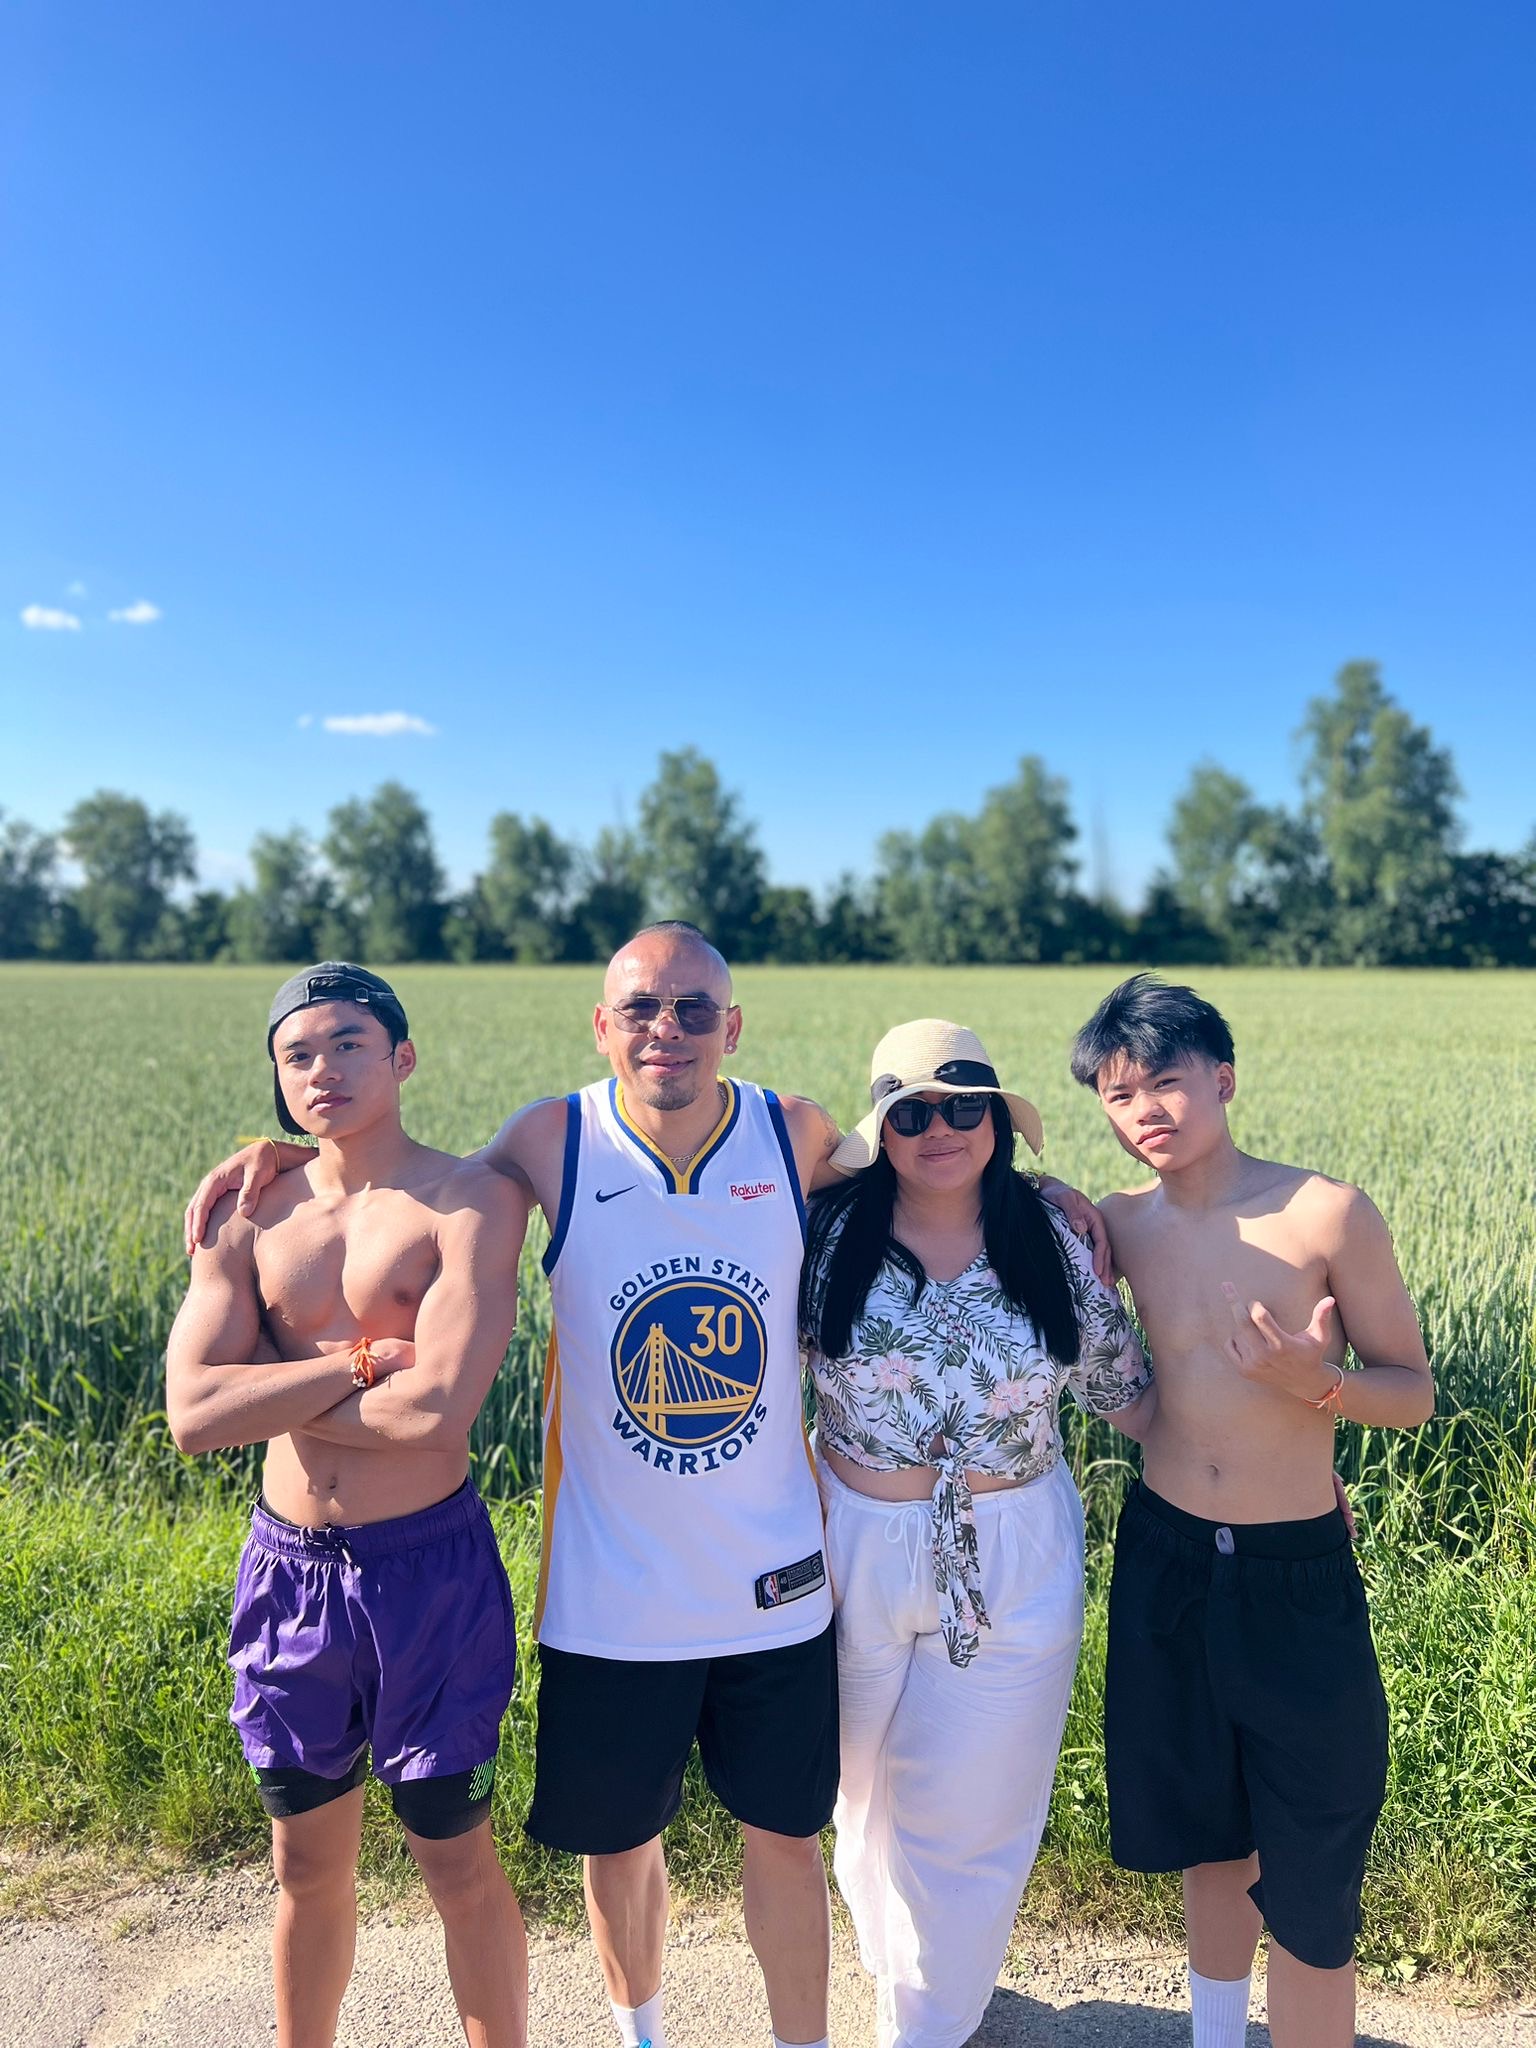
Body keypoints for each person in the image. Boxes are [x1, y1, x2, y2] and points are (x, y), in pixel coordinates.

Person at [182, 928, 1112, 2048]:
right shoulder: (549, 1139)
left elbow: (935, 1157)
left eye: (691, 1008)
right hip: (609, 1588)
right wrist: (280, 1151)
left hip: (775, 1581)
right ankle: (643, 2034)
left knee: (787, 1835)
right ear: (601, 1025)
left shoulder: (791, 1130)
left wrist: (1044, 1186)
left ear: (733, 1027)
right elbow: (405, 1177)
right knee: (618, 1844)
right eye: (639, 1009)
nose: (665, 1029)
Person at [166, 963, 531, 2048]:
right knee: (304, 1862)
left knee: (454, 1858)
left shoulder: (469, 1200)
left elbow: (439, 1412)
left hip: (430, 1574)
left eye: (349, 1043)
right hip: (290, 1573)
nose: (322, 1068)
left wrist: (269, 1390)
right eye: (298, 1053)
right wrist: (362, 1362)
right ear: (279, 1078)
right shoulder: (248, 1211)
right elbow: (193, 1414)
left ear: (402, 1057)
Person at [1070, 973, 1435, 2048]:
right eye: (1119, 1094)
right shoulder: (1119, 1224)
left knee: (1315, 1865)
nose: (1146, 1111)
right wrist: (1045, 1188)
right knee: (1208, 1834)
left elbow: (1411, 1390)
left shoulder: (1326, 1212)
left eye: (1167, 1082)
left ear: (1223, 1079)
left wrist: (1315, 1384)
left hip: (1296, 1571)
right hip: (1168, 1557)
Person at [797, 1018, 1155, 2048]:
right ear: (881, 1130)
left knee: (967, 1818)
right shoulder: (821, 1232)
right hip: (849, 1544)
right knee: (855, 1792)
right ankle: (901, 1974)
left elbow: (1128, 1396)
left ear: (997, 1120)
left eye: (965, 1106)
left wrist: (1288, 1463)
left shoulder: (1053, 1239)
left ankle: (926, 2024)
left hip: (1011, 1550)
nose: (942, 1128)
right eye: (912, 1113)